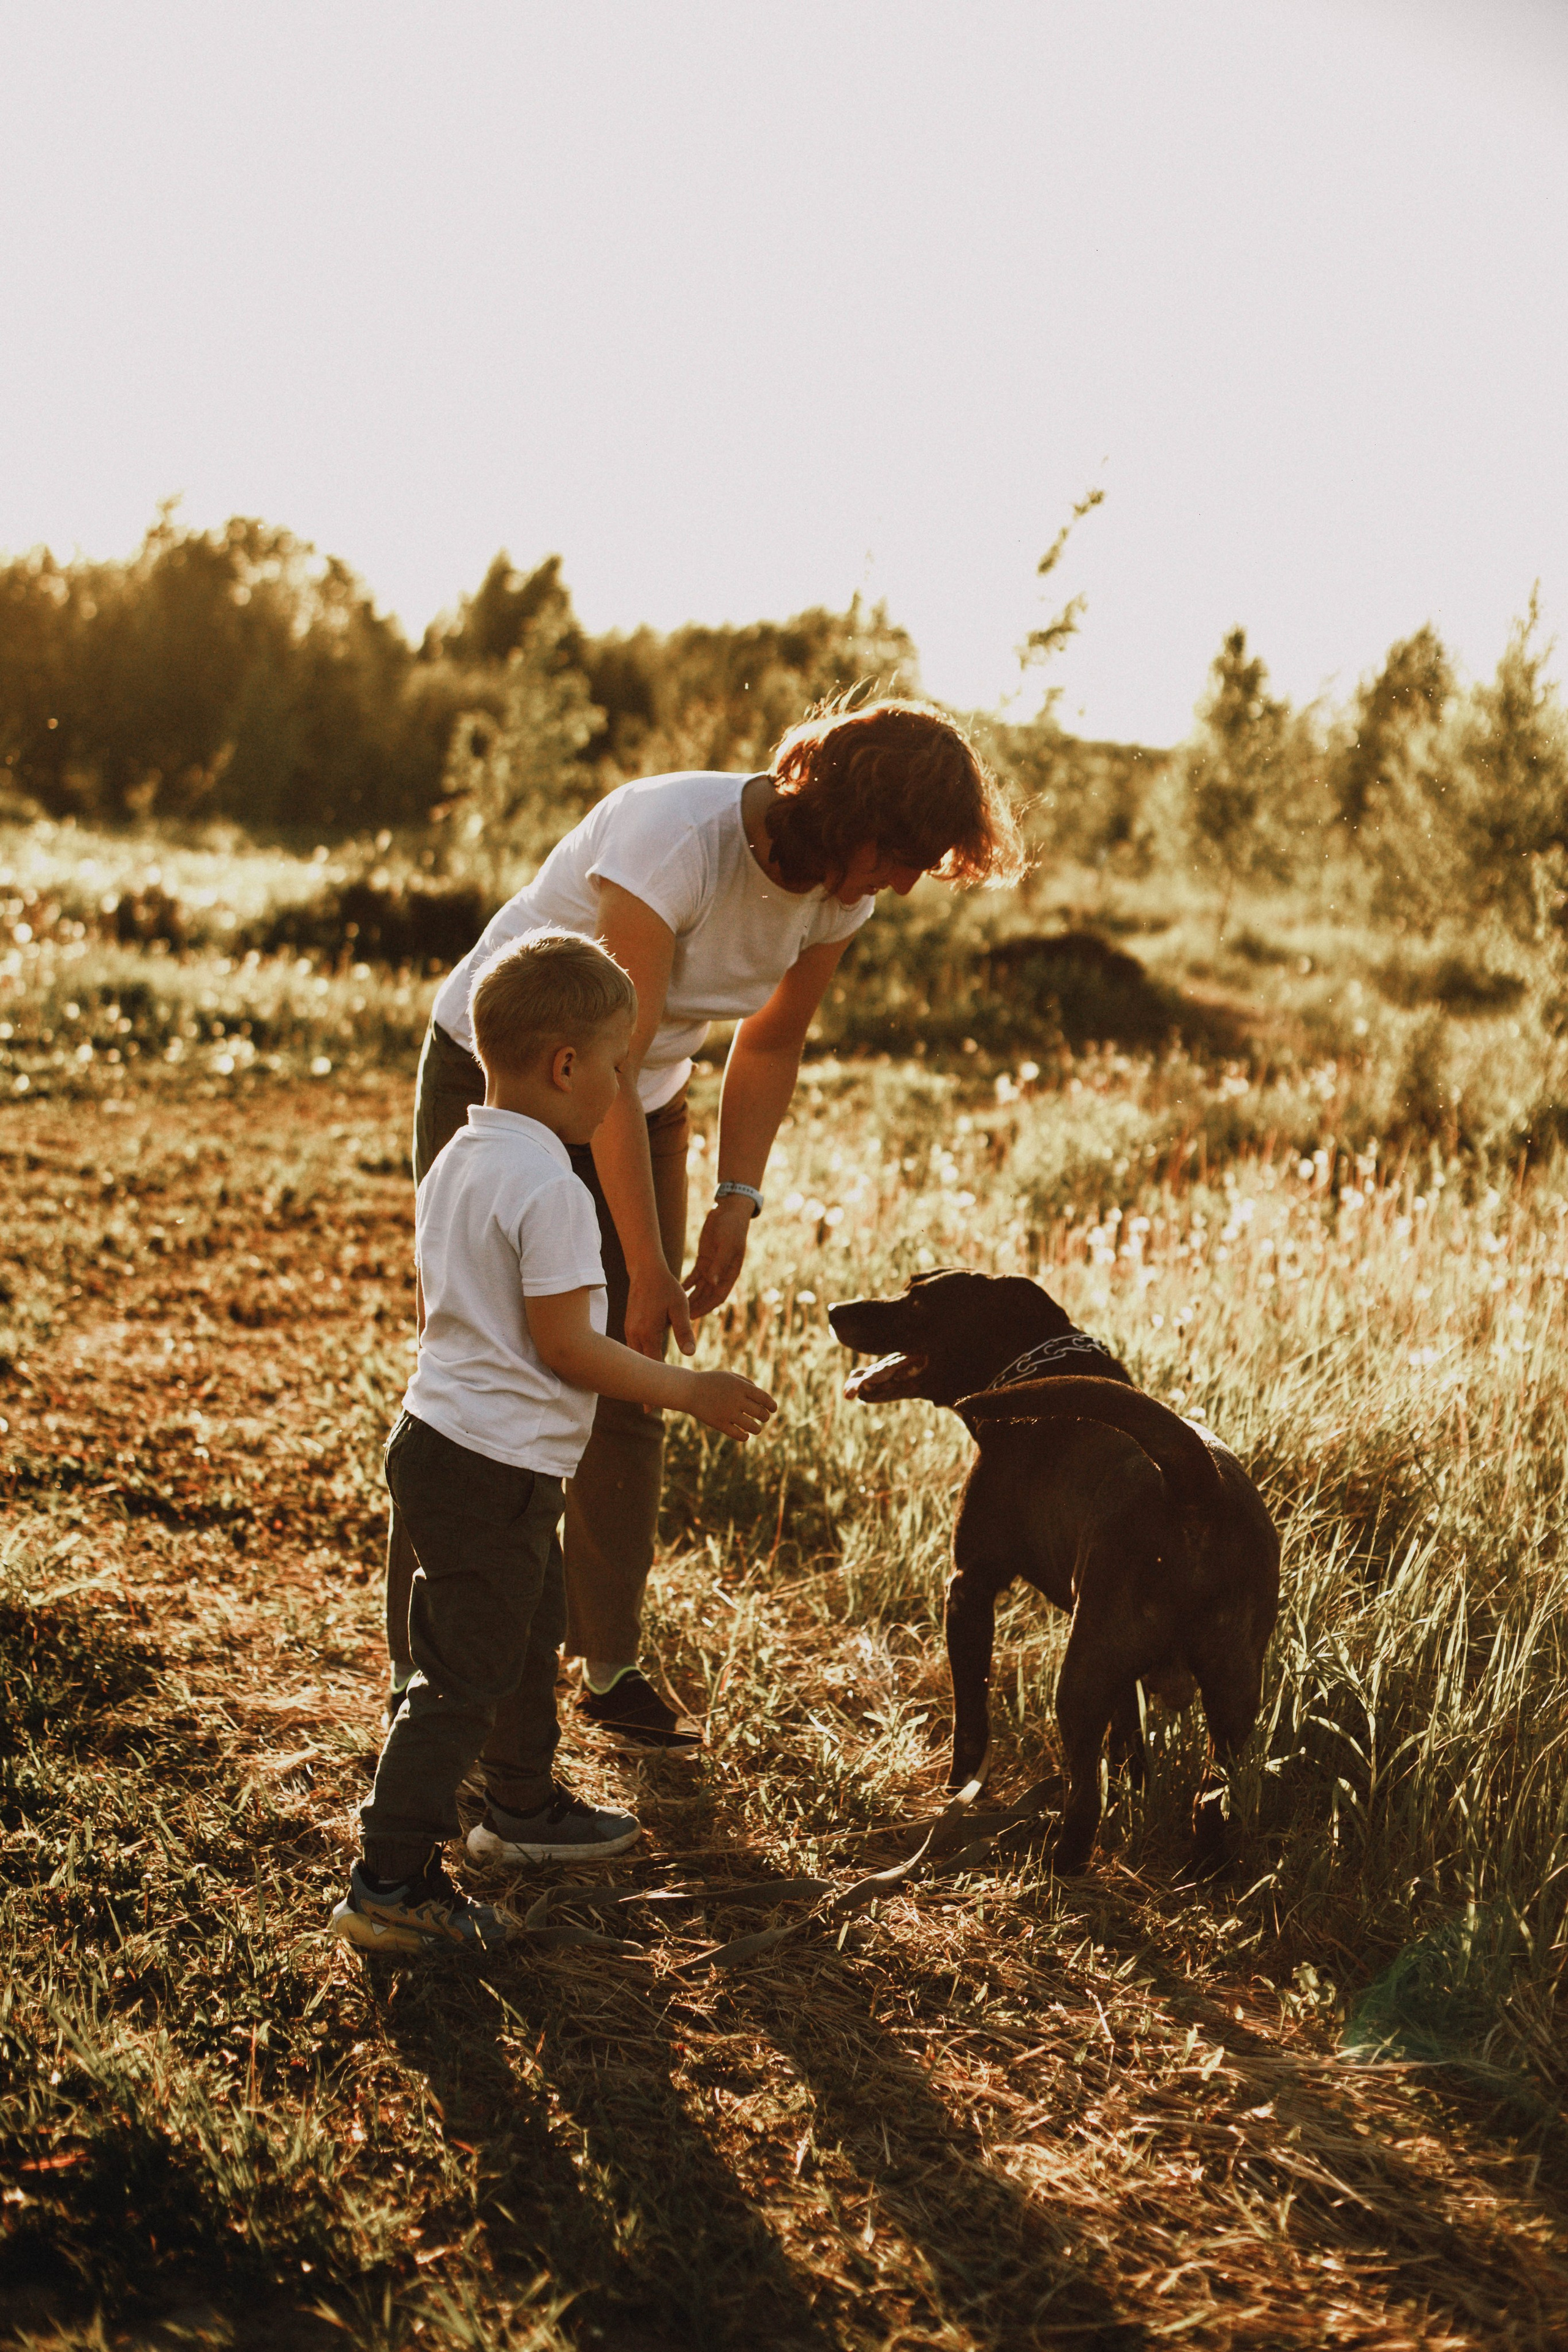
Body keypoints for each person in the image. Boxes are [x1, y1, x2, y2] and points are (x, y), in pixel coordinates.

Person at [385, 696, 1022, 1753]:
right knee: (484, 1365)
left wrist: (737, 1202)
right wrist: (643, 1261)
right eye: (904, 852)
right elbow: (610, 1060)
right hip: (505, 1074)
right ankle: (431, 1671)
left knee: (638, 1353)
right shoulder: (672, 838)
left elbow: (768, 1047)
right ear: (851, 808)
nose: (906, 882)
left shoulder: (837, 896)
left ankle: (607, 1664)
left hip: (640, 1090)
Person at [332, 928, 775, 1954]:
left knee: (527, 1634)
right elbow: (570, 1347)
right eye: (620, 1066)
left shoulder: (461, 1158)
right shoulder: (555, 1191)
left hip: (441, 1440)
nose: (626, 1087)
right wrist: (688, 1389)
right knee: (459, 1678)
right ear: (566, 1065)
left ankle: (521, 1812)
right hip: (496, 1467)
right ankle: (391, 1881)